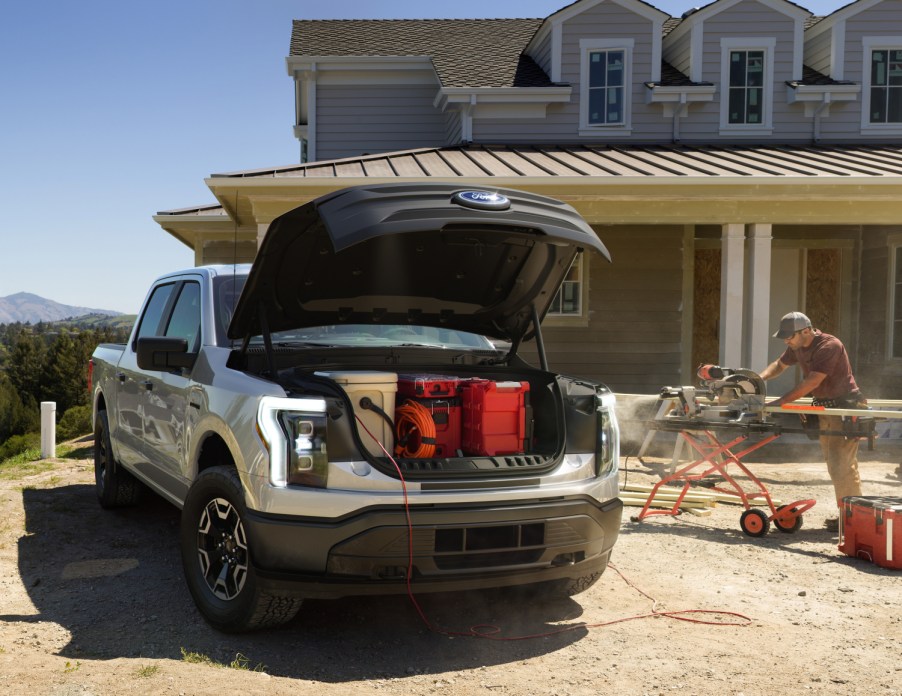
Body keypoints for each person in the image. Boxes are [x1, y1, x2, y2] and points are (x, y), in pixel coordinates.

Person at [759, 311, 867, 530]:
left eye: (790, 337)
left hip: (844, 407)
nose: (787, 341)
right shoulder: (797, 346)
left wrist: (781, 402)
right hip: (826, 407)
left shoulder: (829, 346)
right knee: (835, 463)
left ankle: (853, 519)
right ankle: (849, 515)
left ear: (806, 331)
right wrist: (758, 379)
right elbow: (779, 365)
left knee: (841, 465)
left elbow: (812, 381)